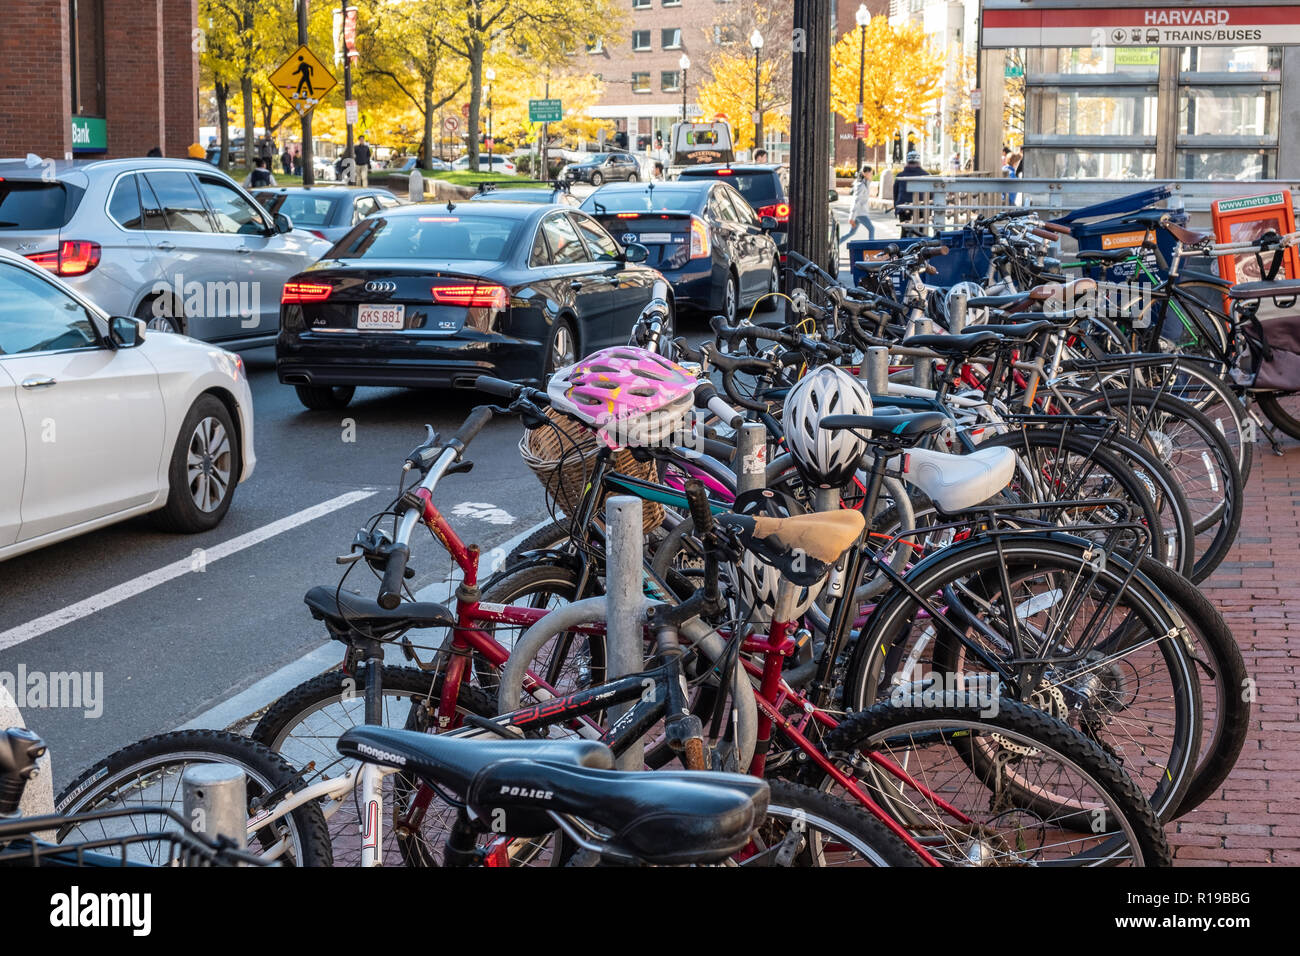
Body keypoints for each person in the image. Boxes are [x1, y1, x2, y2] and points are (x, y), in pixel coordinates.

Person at [892, 150, 930, 225]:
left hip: (903, 206)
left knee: (905, 228)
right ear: (919, 162)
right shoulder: (926, 175)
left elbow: (895, 193)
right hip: (921, 207)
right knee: (922, 229)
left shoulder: (900, 176)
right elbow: (931, 194)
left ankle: (905, 235)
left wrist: (896, 208)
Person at [841, 167, 875, 243]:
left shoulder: (864, 184)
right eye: (871, 173)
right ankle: (871, 247)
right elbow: (856, 201)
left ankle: (835, 244)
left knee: (851, 233)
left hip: (859, 213)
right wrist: (851, 217)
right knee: (871, 229)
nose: (872, 174)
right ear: (864, 173)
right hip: (860, 213)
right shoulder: (861, 186)